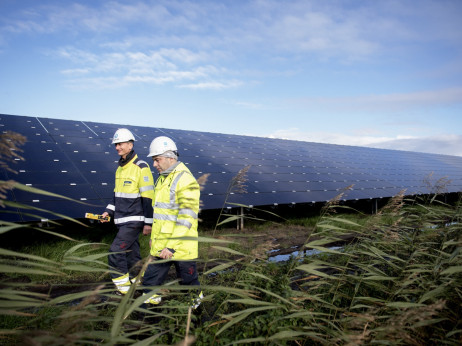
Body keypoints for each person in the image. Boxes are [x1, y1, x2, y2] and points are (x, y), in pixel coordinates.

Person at [143, 136, 203, 307]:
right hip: (161, 246)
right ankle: (148, 320)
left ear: (170, 157)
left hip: (181, 247)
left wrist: (172, 245)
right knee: (149, 284)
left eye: (157, 160)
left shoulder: (185, 179)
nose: (154, 164)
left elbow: (186, 217)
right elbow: (161, 215)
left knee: (188, 284)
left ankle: (198, 319)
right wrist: (154, 239)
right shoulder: (162, 178)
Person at [101, 128, 155, 295]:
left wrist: (148, 223)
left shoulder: (141, 167)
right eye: (116, 144)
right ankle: (139, 281)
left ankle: (123, 289)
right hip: (121, 219)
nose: (118, 147)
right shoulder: (120, 168)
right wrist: (107, 212)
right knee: (132, 254)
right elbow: (116, 195)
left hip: (134, 220)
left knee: (116, 252)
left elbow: (148, 197)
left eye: (121, 144)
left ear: (130, 145)